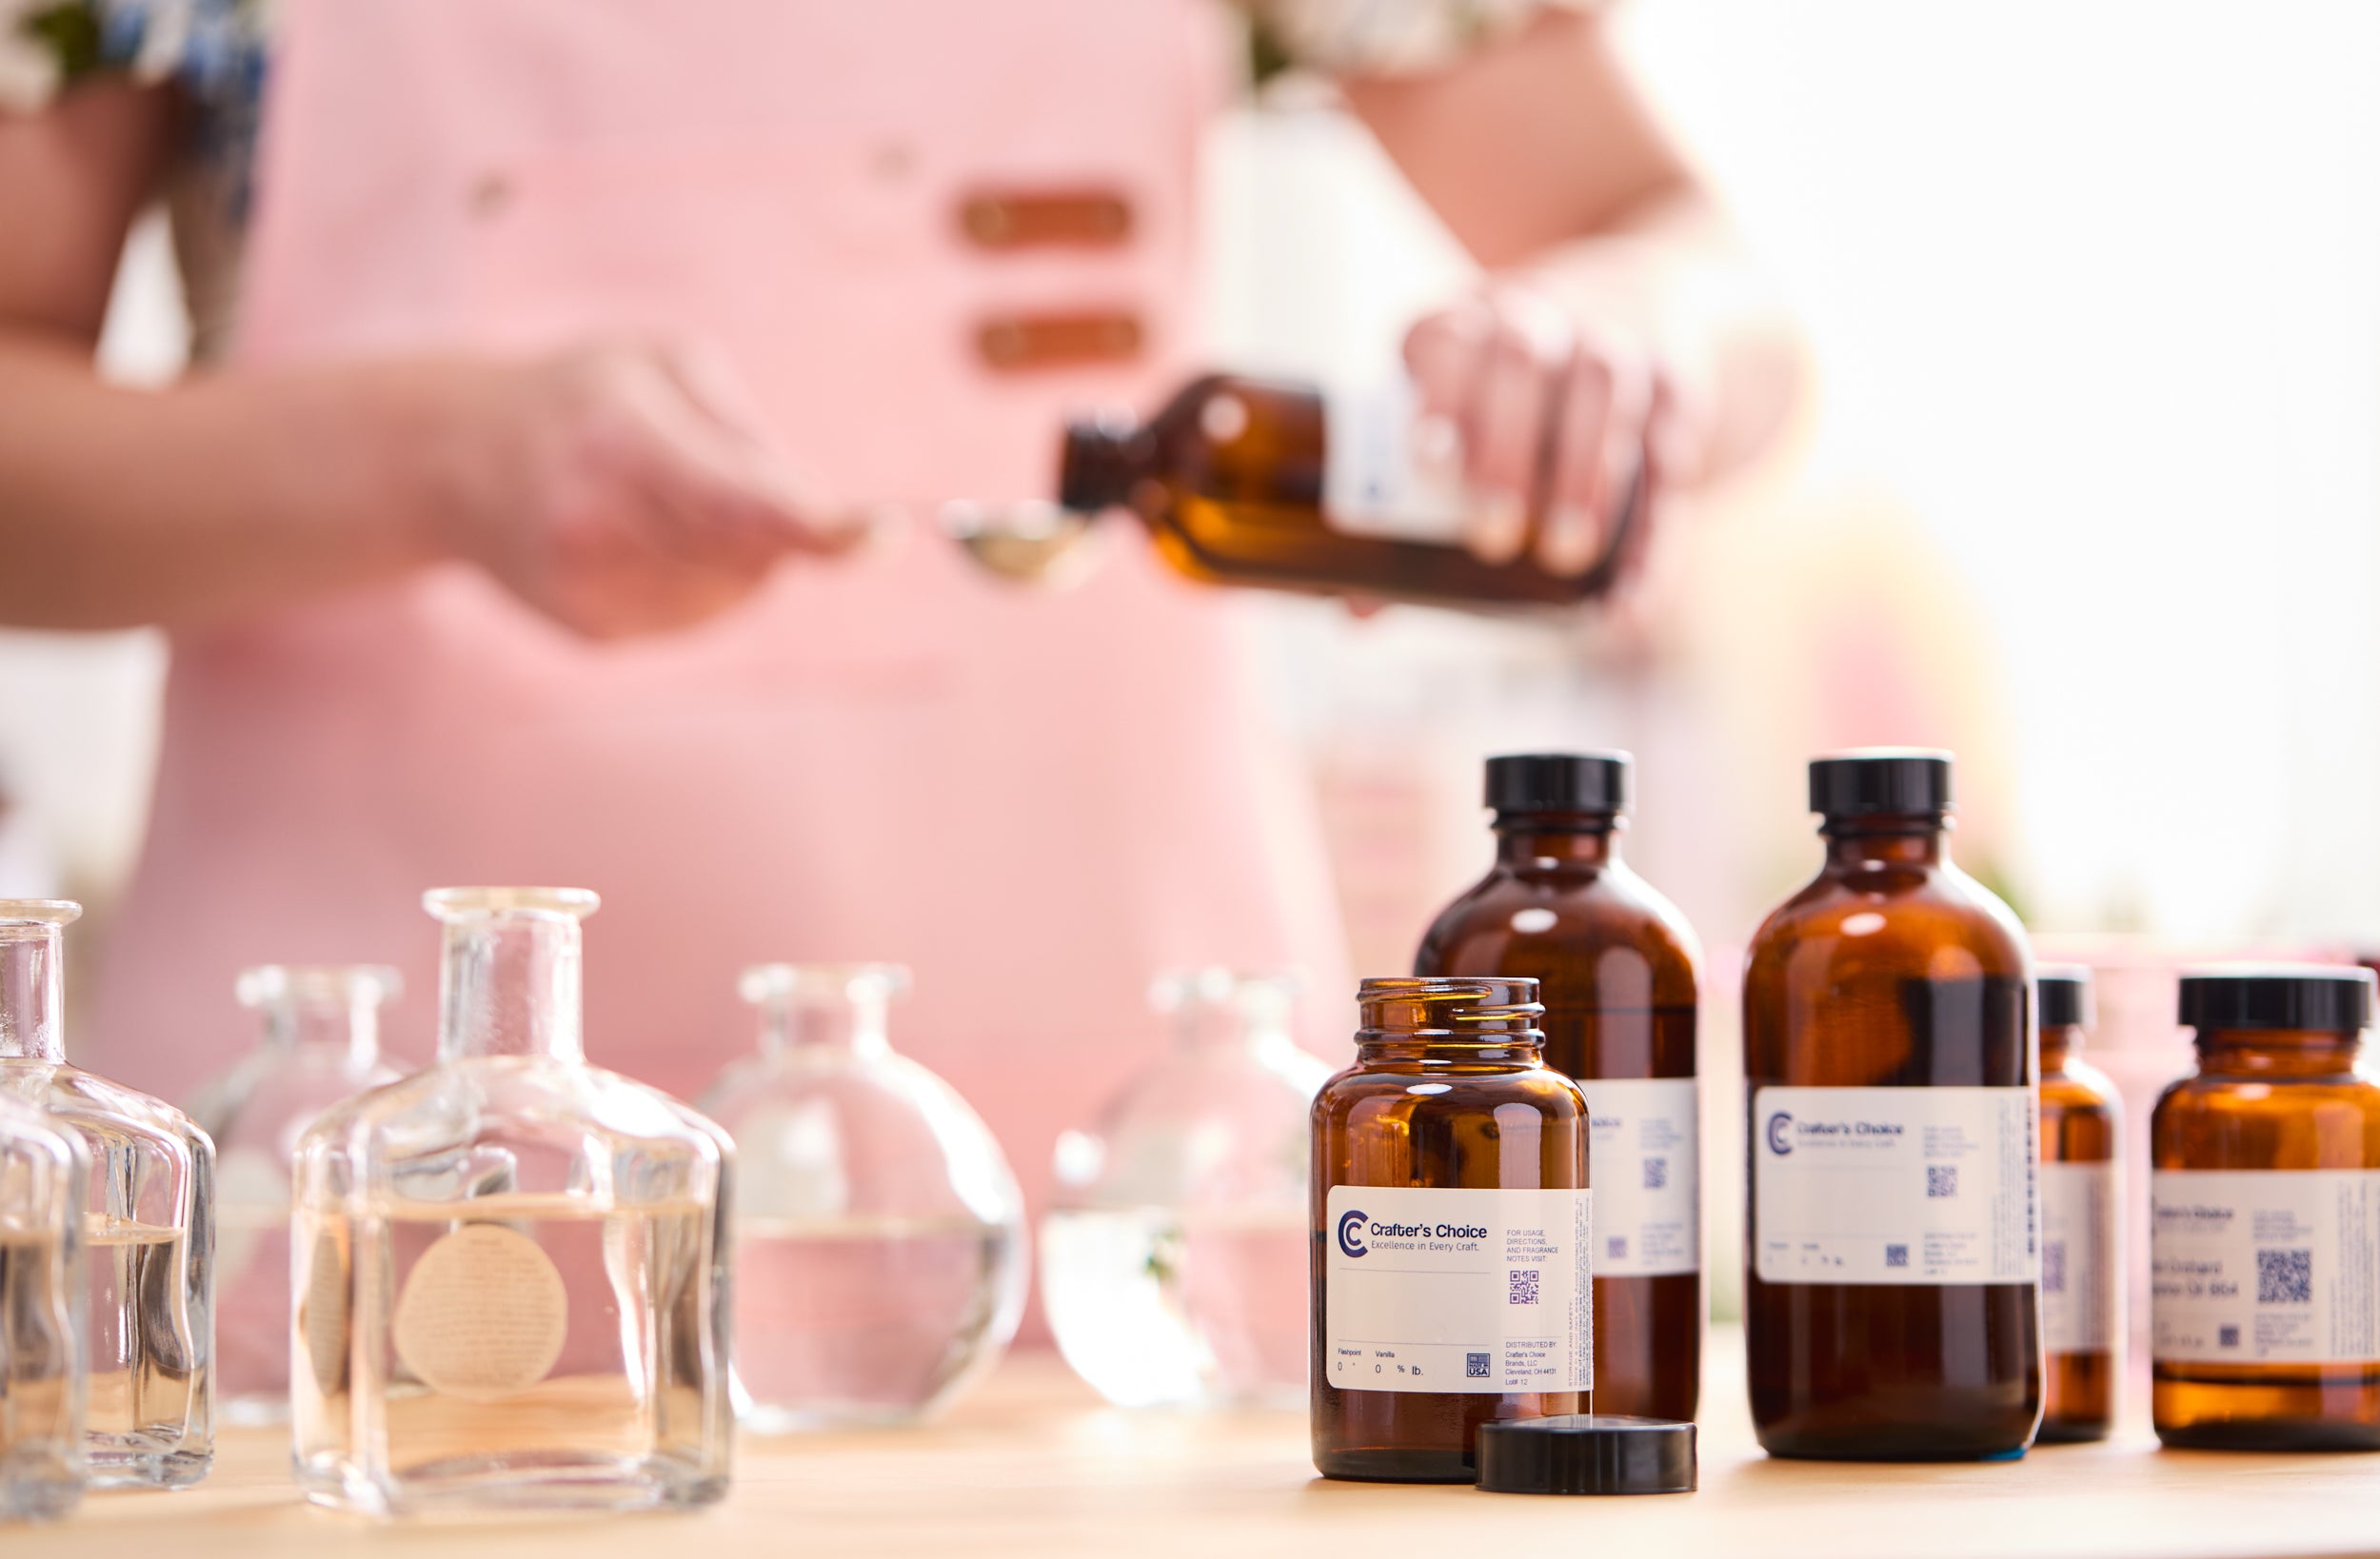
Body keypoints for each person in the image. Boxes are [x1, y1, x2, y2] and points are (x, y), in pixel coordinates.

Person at [0, 0, 1796, 1248]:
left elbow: (1691, 263)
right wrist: (433, 464)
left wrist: (1618, 343)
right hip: (356, 1192)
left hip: (1119, 1183)